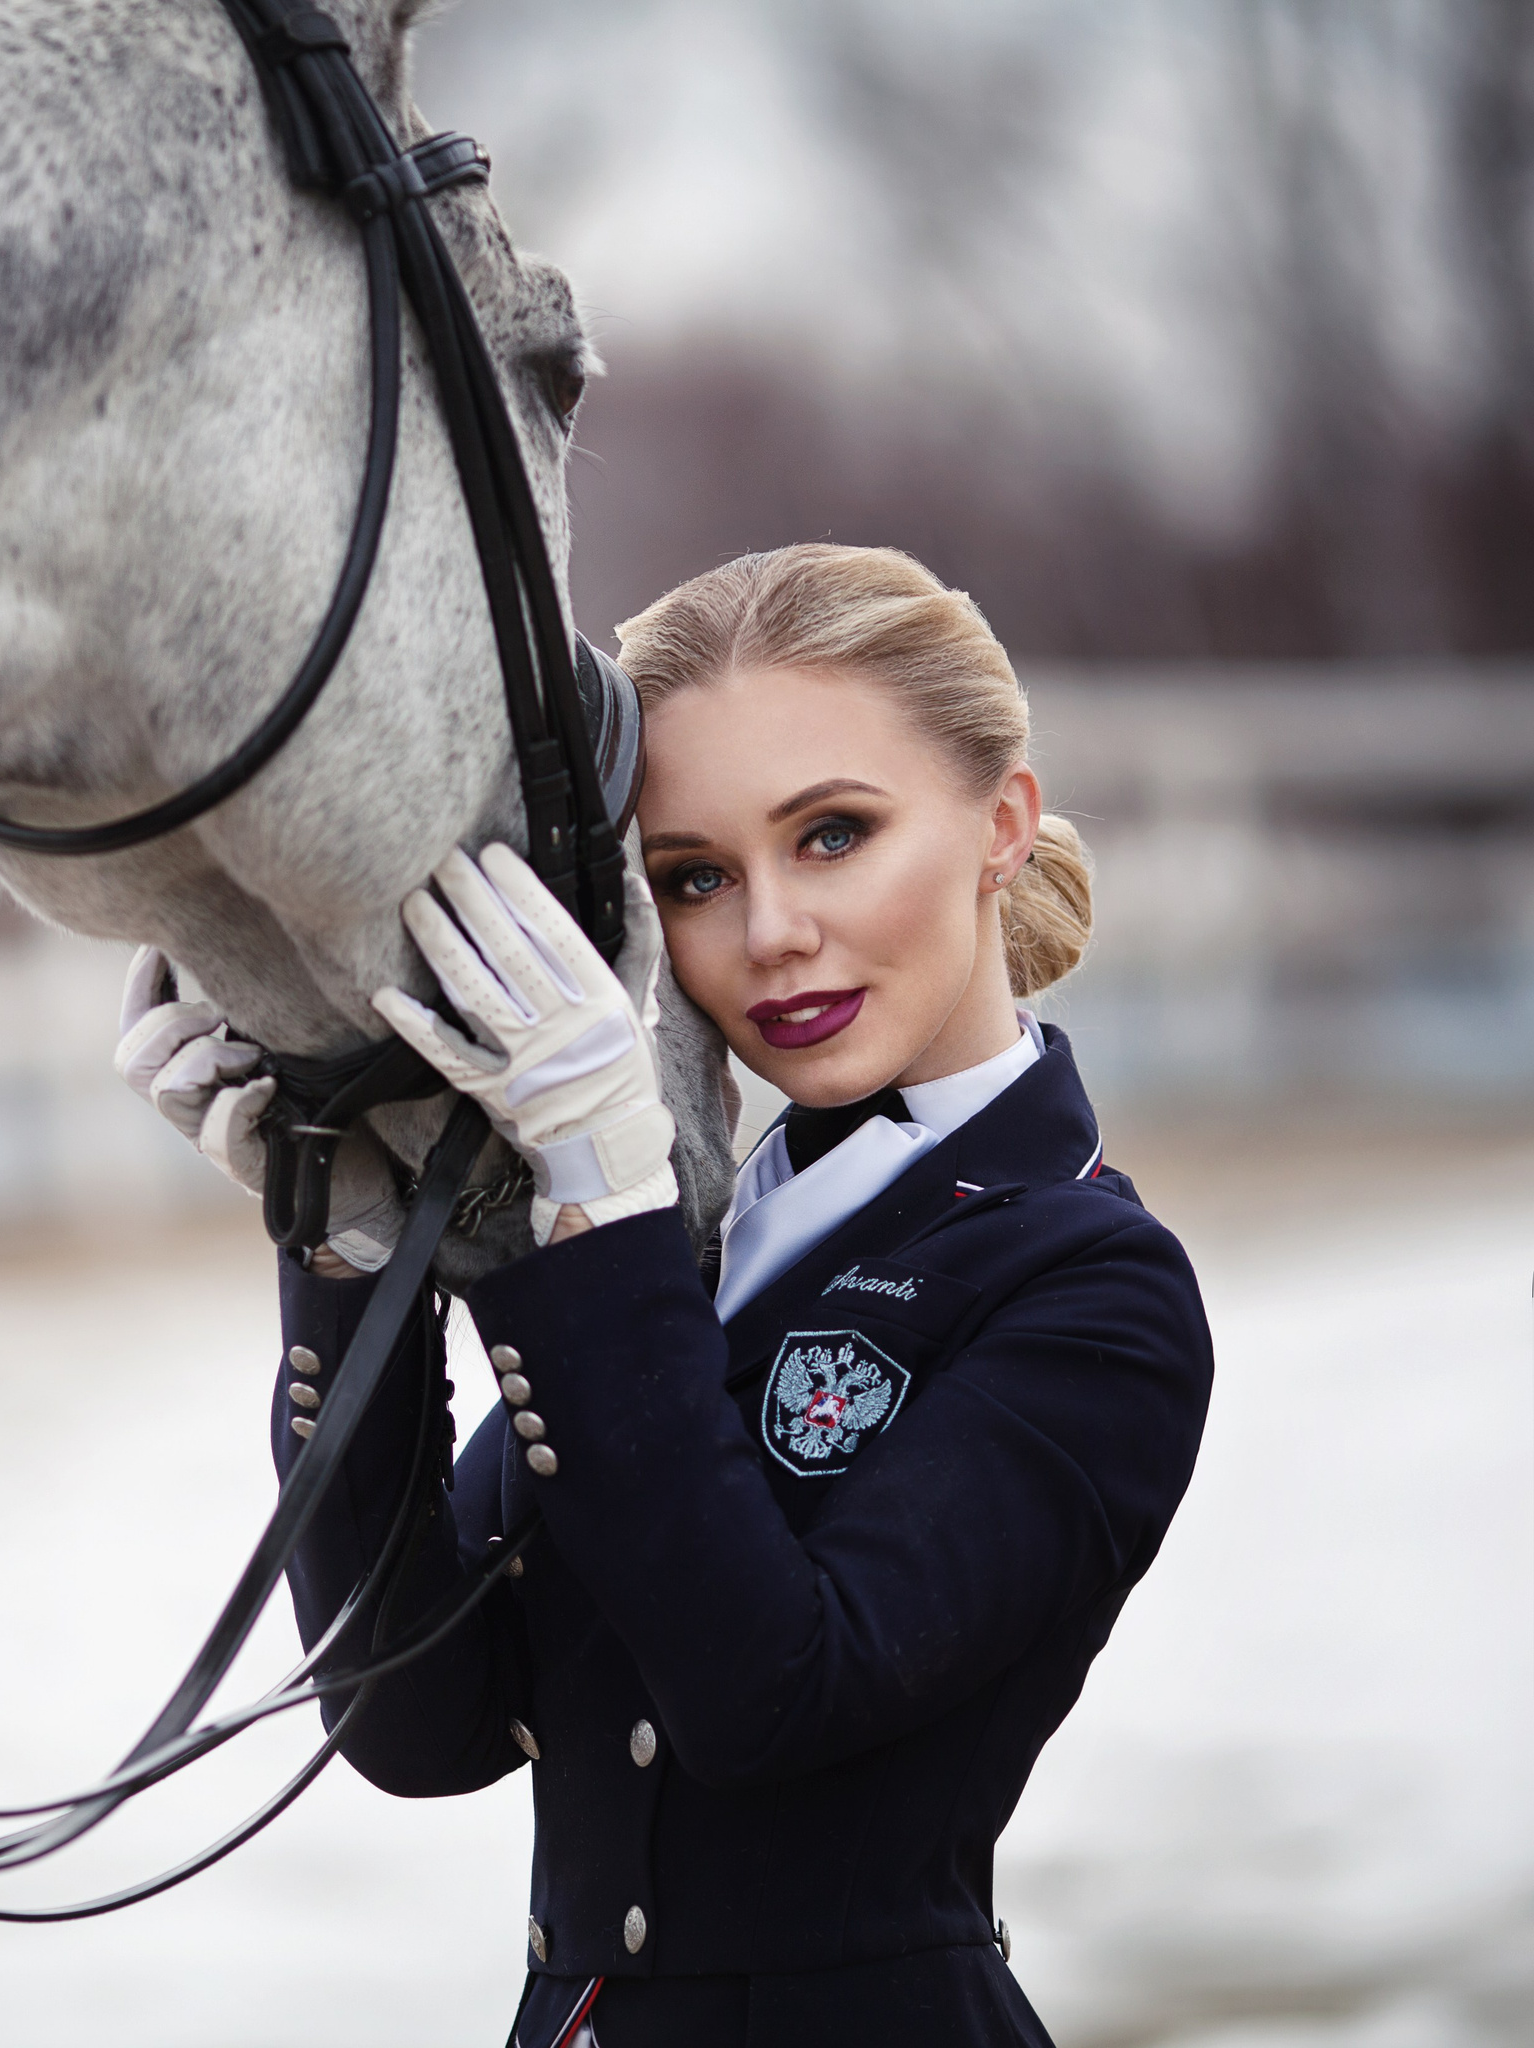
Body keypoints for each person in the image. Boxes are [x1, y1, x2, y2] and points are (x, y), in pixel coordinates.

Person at [115, 543, 1215, 2048]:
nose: (770, 935)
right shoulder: (681, 1237)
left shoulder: (1093, 1284)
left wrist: (603, 1220)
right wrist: (347, 1259)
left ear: (1002, 824)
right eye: (695, 876)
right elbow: (419, 1724)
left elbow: (774, 1695)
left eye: (833, 835)